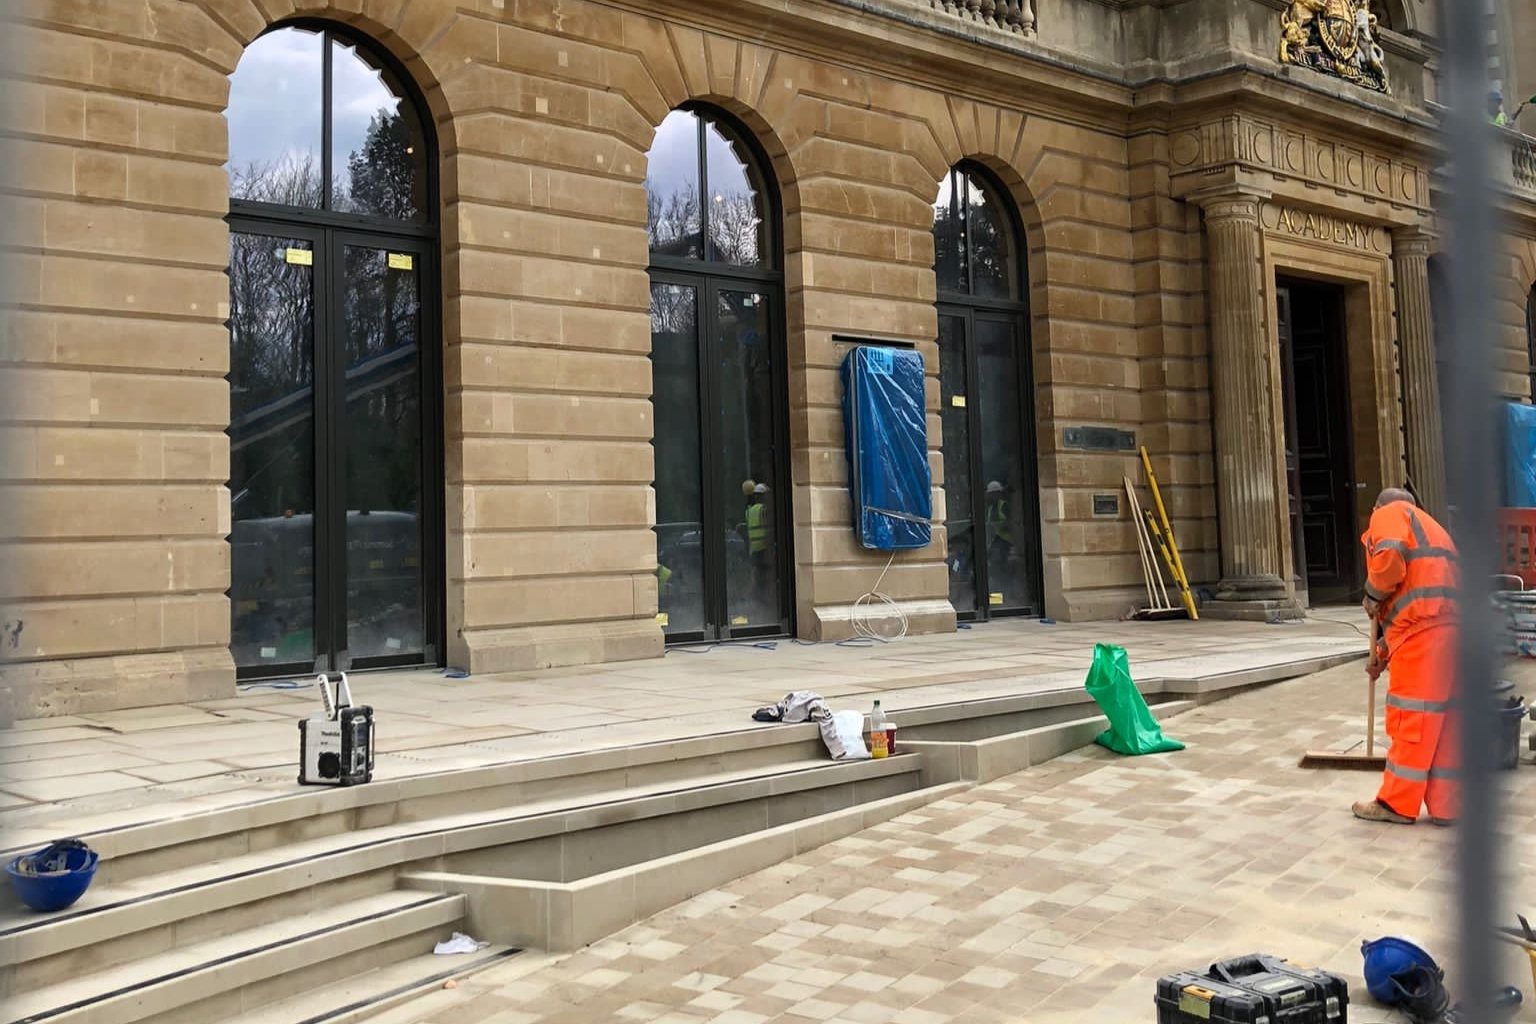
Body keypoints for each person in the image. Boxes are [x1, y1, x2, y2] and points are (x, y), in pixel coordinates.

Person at [1352, 487, 1460, 825]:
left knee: (1413, 720)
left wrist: (1372, 593)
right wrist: (1382, 655)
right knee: (1444, 725)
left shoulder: (1389, 514)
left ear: (1376, 508)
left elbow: (1389, 562)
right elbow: (1416, 606)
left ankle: (1396, 804)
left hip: (1425, 639)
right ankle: (1448, 807)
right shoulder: (1433, 529)